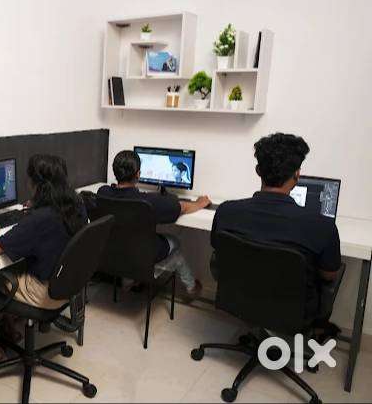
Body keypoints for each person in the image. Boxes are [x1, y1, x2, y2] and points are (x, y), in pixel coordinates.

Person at [211, 133, 341, 324]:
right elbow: (329, 274)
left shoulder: (226, 211)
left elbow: (218, 251)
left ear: (258, 171)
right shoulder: (323, 226)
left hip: (239, 297)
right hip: (295, 310)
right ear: (297, 174)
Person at [0, 154, 87, 364]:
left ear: (36, 184)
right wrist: (36, 206)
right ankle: (8, 327)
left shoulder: (39, 220)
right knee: (13, 269)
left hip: (45, 293)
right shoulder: (77, 205)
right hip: (68, 287)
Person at [97, 150, 209, 299]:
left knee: (130, 239)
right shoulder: (149, 201)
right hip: (141, 254)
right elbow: (183, 207)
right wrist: (200, 203)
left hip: (115, 251)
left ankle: (129, 280)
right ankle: (191, 288)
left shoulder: (102, 193)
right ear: (138, 174)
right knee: (175, 242)